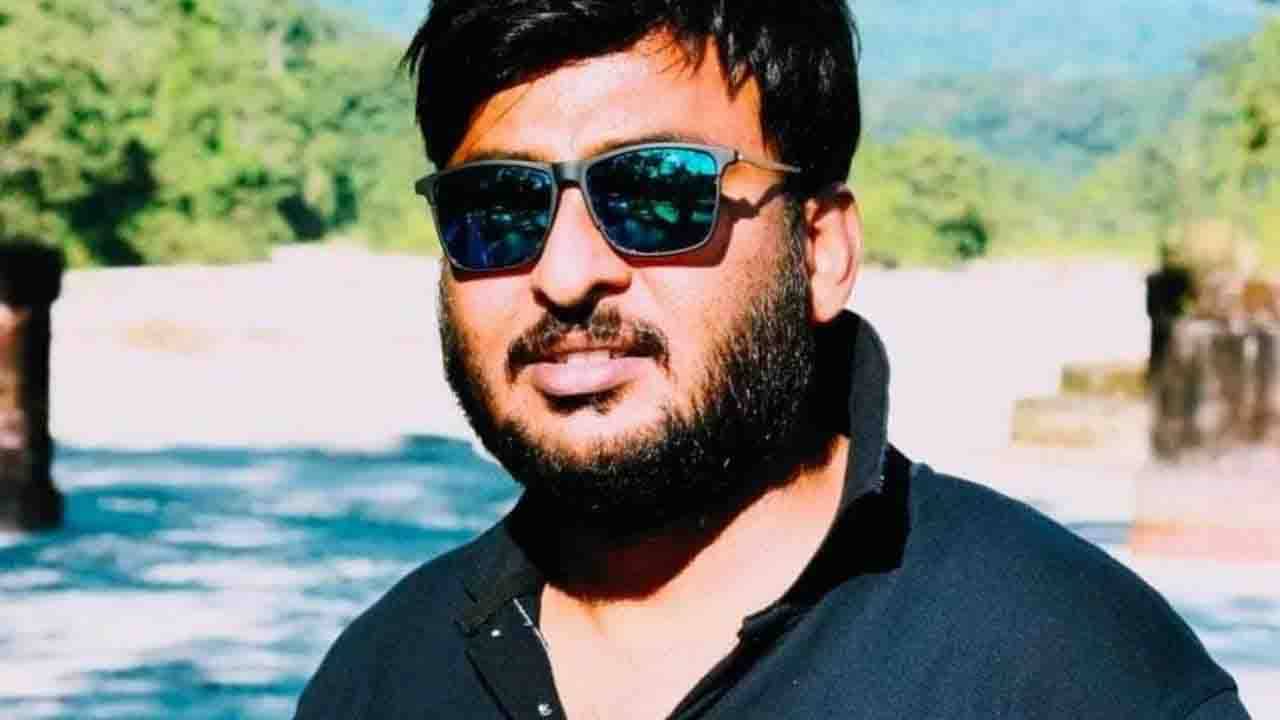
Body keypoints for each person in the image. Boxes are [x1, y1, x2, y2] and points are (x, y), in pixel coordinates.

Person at [296, 2, 1249, 718]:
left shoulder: (1074, 672)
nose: (567, 274)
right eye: (498, 208)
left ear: (821, 251)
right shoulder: (380, 679)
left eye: (658, 194)